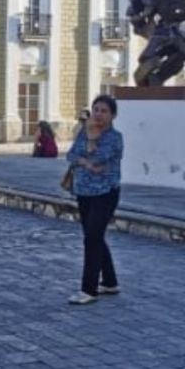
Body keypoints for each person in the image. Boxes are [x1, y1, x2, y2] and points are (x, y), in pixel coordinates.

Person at [65, 94, 123, 305]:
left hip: (105, 193)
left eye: (104, 111)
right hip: (84, 192)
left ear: (112, 115)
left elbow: (98, 159)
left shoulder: (114, 138)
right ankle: (110, 281)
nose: (98, 114)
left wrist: (90, 142)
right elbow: (71, 156)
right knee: (94, 236)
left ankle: (88, 289)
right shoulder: (82, 133)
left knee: (92, 238)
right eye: (96, 109)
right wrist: (85, 161)